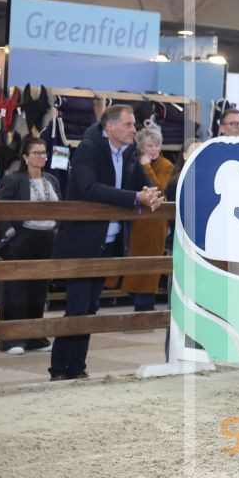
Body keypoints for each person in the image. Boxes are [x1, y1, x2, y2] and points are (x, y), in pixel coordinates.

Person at [49, 105, 163, 381]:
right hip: (81, 240)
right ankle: (59, 368)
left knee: (91, 307)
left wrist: (152, 194)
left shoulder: (129, 153)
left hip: (108, 242)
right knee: (77, 307)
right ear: (110, 126)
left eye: (134, 124)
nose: (134, 129)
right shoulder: (88, 149)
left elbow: (144, 182)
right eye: (128, 124)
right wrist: (135, 198)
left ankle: (77, 367)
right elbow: (90, 188)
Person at [0, 136, 61, 355]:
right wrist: (10, 232)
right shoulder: (15, 179)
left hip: (46, 238)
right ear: (25, 157)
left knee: (38, 289)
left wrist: (57, 230)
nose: (41, 157)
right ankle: (12, 339)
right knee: (15, 288)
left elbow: (61, 207)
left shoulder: (52, 179)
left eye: (44, 153)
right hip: (22, 237)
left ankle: (34, 338)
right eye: (36, 153)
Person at [119, 126, 173, 313]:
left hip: (153, 225)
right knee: (132, 268)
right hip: (134, 222)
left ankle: (145, 309)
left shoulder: (165, 165)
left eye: (157, 145)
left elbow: (160, 190)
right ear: (141, 148)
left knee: (148, 270)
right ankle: (141, 307)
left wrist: (146, 167)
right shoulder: (132, 161)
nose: (154, 149)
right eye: (150, 146)